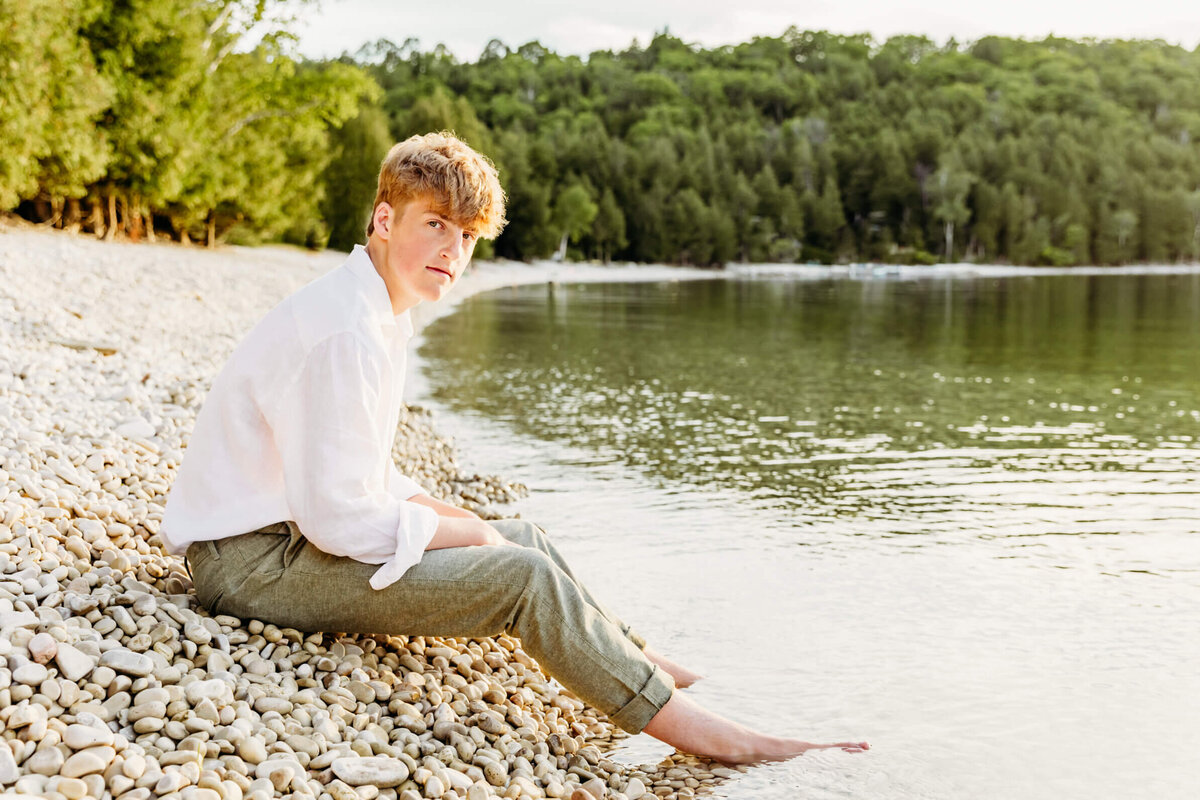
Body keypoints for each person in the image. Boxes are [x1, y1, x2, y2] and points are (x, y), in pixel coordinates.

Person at [161, 131, 867, 763]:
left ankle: (630, 652)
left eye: (466, 236)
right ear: (384, 219)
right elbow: (337, 520)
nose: (452, 251)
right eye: (434, 224)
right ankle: (712, 735)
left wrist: (460, 522)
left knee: (521, 533)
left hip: (279, 538)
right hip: (251, 564)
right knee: (521, 577)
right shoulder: (348, 329)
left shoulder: (373, 309)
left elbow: (362, 470)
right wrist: (464, 530)